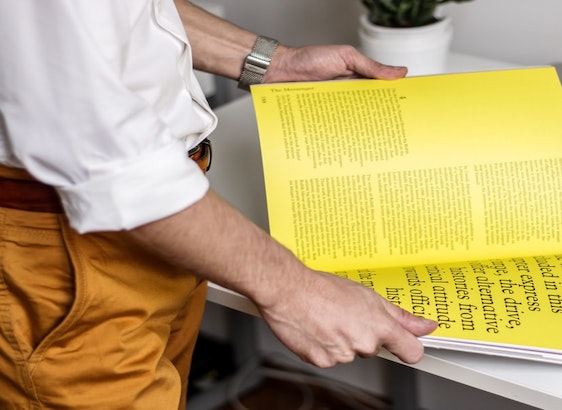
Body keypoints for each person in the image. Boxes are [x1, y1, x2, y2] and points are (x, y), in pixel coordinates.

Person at [0, 1, 438, 409]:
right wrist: (294, 289)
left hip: (173, 221)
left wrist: (277, 62)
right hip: (70, 243)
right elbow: (110, 164)